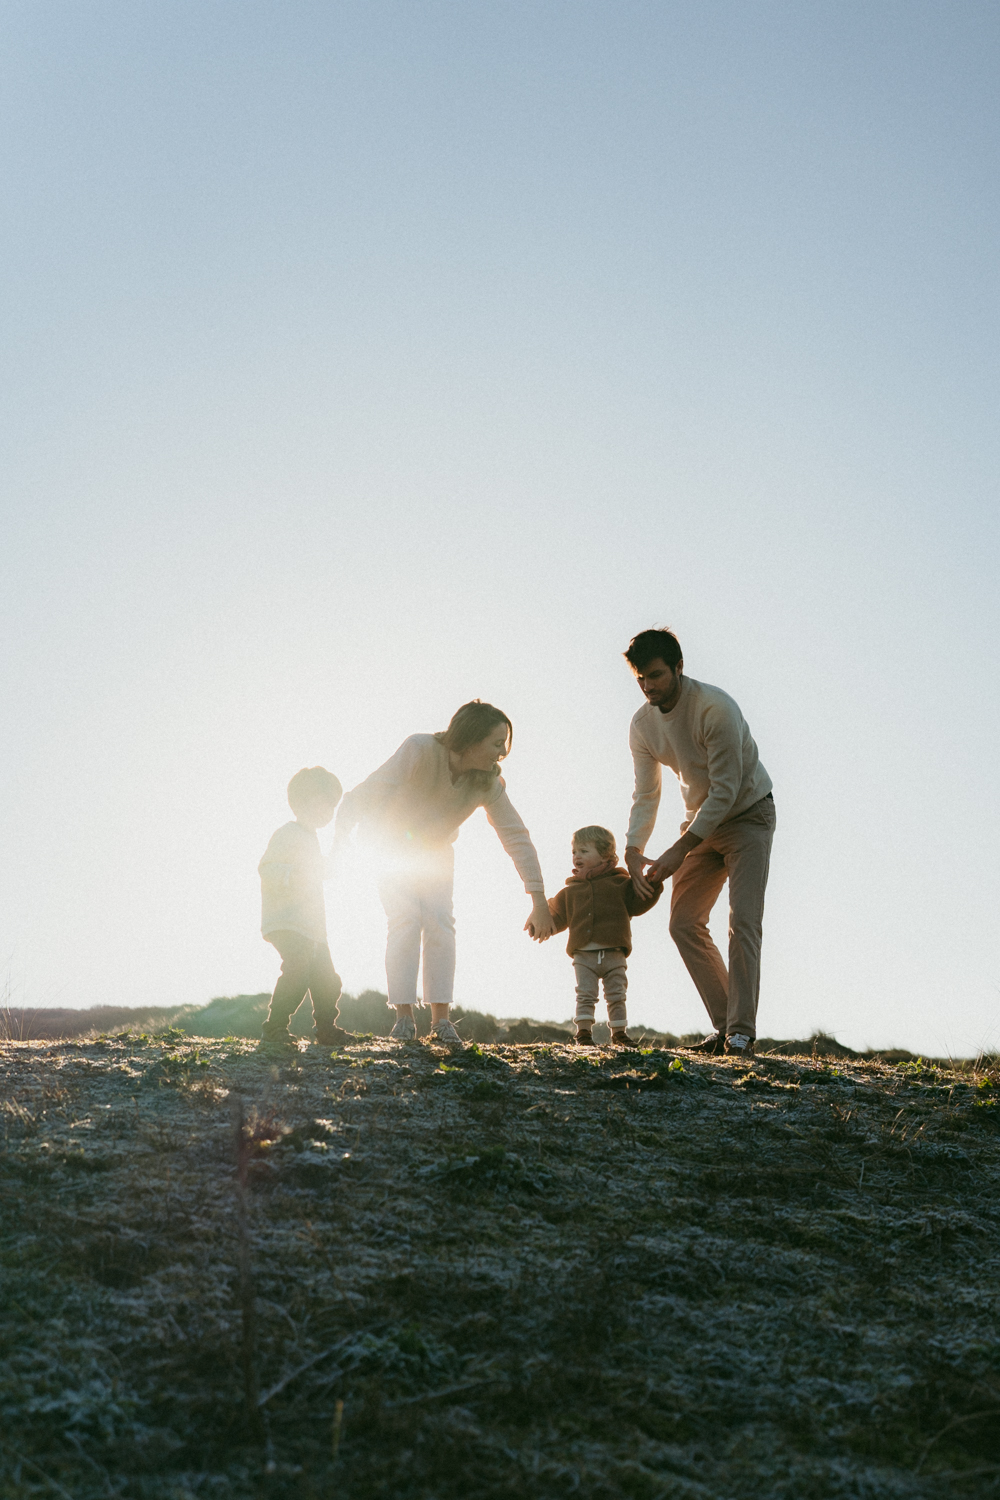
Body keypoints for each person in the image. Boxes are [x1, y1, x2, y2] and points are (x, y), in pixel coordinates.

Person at [332, 701, 554, 1047]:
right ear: (470, 739)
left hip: (435, 851)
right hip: (388, 844)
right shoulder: (420, 749)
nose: (502, 753)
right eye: (497, 744)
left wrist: (539, 900)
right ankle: (403, 1019)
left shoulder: (487, 783)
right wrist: (340, 840)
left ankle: (441, 1021)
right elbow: (369, 790)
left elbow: (516, 836)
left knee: (439, 921)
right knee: (405, 920)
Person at [623, 629, 775, 1060]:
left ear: (679, 668)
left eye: (655, 675)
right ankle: (725, 1026)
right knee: (683, 922)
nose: (648, 686)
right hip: (700, 823)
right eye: (640, 679)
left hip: (748, 815)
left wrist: (676, 851)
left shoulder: (716, 709)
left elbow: (725, 791)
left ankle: (741, 1035)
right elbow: (646, 794)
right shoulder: (641, 726)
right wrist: (634, 849)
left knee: (743, 922)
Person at [258, 766, 354, 1055]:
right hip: (287, 921)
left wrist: (340, 844)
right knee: (297, 970)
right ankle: (274, 1029)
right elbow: (266, 868)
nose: (329, 810)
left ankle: (326, 1028)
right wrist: (290, 875)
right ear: (299, 802)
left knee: (327, 978)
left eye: (333, 805)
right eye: (323, 802)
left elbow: (327, 871)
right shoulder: (288, 833)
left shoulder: (312, 838)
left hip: (313, 928)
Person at [546, 825, 662, 1047]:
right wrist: (541, 925)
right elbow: (556, 915)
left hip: (614, 952)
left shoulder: (621, 883)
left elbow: (638, 902)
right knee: (585, 994)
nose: (576, 856)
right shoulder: (570, 891)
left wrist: (653, 883)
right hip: (583, 954)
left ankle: (619, 1033)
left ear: (605, 855)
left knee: (617, 994)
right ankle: (583, 1034)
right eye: (574, 852)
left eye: (583, 851)